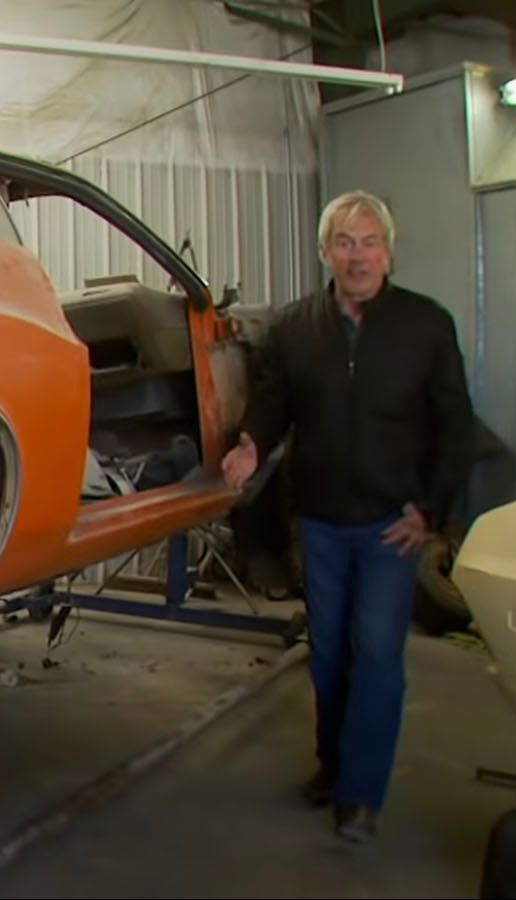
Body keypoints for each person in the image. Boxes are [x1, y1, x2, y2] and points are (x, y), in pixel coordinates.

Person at [222, 189, 475, 843]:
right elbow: (273, 402)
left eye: (368, 241)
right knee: (330, 653)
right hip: (322, 521)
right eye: (344, 242)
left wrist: (432, 510)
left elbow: (454, 425)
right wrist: (250, 443)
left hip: (392, 524)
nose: (357, 255)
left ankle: (360, 796)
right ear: (325, 253)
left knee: (379, 656)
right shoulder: (295, 326)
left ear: (388, 252)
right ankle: (333, 769)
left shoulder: (425, 325)